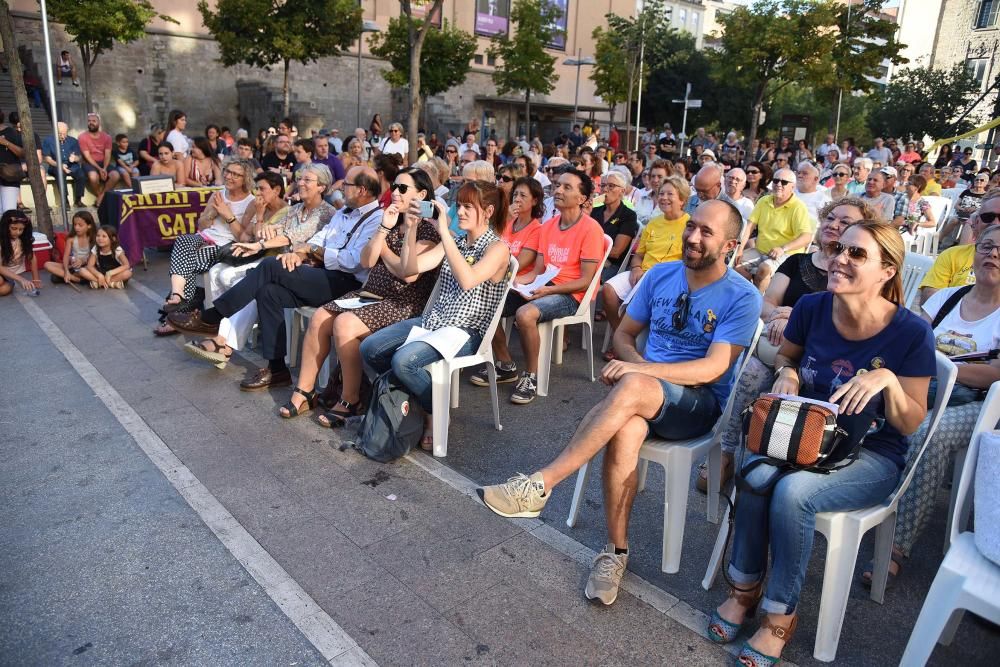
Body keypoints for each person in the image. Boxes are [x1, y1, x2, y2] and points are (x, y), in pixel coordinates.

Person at [478, 199, 760, 606]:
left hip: (698, 405)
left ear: (731, 245)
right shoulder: (661, 276)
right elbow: (624, 336)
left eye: (706, 232)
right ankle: (616, 552)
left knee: (630, 390)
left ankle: (542, 484)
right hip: (646, 390)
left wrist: (640, 375)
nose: (693, 237)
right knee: (626, 426)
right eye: (691, 227)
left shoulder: (741, 295)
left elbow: (713, 369)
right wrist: (639, 366)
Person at [708, 221, 934, 666]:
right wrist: (787, 372)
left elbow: (909, 424)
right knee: (755, 473)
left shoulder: (911, 332)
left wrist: (887, 380)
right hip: (804, 434)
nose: (840, 259)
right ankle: (744, 589)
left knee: (792, 494)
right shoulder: (812, 307)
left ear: (888, 271)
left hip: (870, 455)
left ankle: (779, 615)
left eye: (857, 254)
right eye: (837, 249)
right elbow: (788, 355)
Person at [702, 198, 879, 492]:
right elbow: (767, 302)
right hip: (778, 345)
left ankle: (768, 459)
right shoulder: (797, 262)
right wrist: (778, 315)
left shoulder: (854, 276)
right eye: (830, 218)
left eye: (845, 222)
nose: (834, 225)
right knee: (752, 371)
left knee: (771, 373)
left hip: (821, 357)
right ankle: (728, 452)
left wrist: (795, 317)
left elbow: (843, 323)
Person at [859, 224, 1000, 586]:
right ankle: (857, 490)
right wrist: (926, 366)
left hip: (978, 404)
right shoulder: (946, 298)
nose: (993, 254)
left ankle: (896, 546)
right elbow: (908, 339)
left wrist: (937, 366)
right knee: (867, 397)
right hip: (922, 384)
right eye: (986, 246)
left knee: (927, 434)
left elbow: (995, 375)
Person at [179, 168, 379, 387]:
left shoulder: (376, 218)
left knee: (270, 266)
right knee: (268, 292)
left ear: (361, 190)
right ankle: (277, 370)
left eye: (346, 185)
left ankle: (212, 317)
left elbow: (353, 261)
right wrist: (302, 251)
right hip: (323, 273)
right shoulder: (343, 213)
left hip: (348, 285)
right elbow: (320, 239)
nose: (341, 187)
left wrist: (309, 250)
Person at [361, 181, 511, 448]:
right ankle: (417, 403)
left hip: (467, 331)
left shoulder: (497, 248)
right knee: (370, 348)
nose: (460, 212)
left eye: (468, 207)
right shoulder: (456, 241)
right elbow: (410, 270)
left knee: (403, 362)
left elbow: (468, 280)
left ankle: (434, 413)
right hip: (435, 321)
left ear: (487, 212)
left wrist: (444, 231)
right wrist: (411, 229)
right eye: (458, 206)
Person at [481, 168, 605, 404]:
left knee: (525, 314)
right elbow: (538, 271)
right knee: (488, 302)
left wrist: (549, 290)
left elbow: (587, 280)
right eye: (558, 185)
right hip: (544, 286)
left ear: (582, 199)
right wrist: (515, 283)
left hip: (571, 294)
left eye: (567, 187)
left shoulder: (591, 229)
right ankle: (506, 364)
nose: (558, 190)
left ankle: (531, 376)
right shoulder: (549, 227)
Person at [602, 176, 691, 351]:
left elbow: (687, 263)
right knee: (608, 290)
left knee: (637, 300)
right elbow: (639, 254)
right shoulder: (654, 222)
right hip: (642, 273)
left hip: (669, 278)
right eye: (661, 193)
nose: (664, 197)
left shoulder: (689, 225)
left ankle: (624, 343)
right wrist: (635, 268)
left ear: (682, 199)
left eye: (670, 194)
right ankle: (622, 337)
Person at [159, 157, 256, 310]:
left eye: (235, 174)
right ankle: (179, 297)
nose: (229, 177)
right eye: (227, 172)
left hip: (225, 246)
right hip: (205, 238)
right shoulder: (218, 194)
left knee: (185, 263)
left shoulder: (251, 201)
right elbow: (202, 226)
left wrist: (228, 215)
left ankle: (180, 304)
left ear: (246, 179)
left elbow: (242, 238)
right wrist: (212, 213)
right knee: (183, 240)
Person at [201, 171, 290, 310]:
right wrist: (251, 235)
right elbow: (244, 236)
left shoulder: (287, 211)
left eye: (262, 189)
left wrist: (259, 217)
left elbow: (262, 240)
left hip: (270, 259)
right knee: (214, 270)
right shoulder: (261, 208)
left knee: (226, 276)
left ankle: (236, 316)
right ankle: (215, 316)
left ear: (277, 190)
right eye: (257, 189)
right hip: (252, 255)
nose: (258, 193)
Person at [737, 168, 815, 293]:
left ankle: (758, 304)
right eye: (776, 180)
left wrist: (782, 248)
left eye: (784, 182)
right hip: (760, 250)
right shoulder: (764, 200)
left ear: (792, 187)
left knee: (764, 268)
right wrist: (740, 250)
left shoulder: (798, 207)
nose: (779, 184)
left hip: (786, 254)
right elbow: (750, 226)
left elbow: (806, 237)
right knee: (735, 265)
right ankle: (751, 293)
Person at [918, 192, 1000, 304]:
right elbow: (929, 299)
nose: (995, 223)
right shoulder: (952, 255)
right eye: (988, 217)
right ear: (976, 222)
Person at [591, 170, 639, 280]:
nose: (605, 189)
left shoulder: (628, 215)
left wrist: (589, 248)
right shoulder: (594, 211)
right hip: (591, 260)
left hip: (611, 266)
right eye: (602, 186)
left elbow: (616, 252)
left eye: (611, 186)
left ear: (622, 191)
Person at [78, 113, 120, 206]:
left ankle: (102, 197)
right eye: (89, 121)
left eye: (93, 121)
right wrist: (99, 169)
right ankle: (99, 196)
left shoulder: (107, 137)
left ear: (99, 123)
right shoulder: (82, 137)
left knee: (115, 175)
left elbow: (107, 154)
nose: (91, 123)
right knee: (93, 177)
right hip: (89, 163)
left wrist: (104, 168)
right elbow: (87, 156)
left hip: (103, 162)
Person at [45, 210, 96, 285]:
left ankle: (71, 277)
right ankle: (77, 279)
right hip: (74, 267)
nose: (76, 227)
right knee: (47, 264)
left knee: (55, 278)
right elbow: (65, 256)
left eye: (80, 225)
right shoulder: (71, 239)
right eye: (75, 225)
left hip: (87, 267)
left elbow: (96, 257)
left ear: (89, 226)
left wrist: (83, 261)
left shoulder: (94, 238)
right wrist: (66, 271)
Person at [41, 122, 85, 207]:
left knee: (81, 174)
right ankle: (65, 200)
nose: (62, 136)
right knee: (60, 173)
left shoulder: (73, 141)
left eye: (65, 133)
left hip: (72, 166)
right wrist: (60, 165)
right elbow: (47, 158)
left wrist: (75, 158)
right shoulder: (48, 141)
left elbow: (80, 157)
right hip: (55, 165)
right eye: (60, 133)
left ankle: (78, 199)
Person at [0, 209, 40, 296]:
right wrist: (21, 279)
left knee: (4, 290)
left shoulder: (23, 240)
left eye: (21, 229)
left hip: (9, 277)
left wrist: (36, 279)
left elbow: (32, 258)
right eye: (13, 228)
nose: (17, 232)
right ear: (5, 226)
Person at [894, 174, 936, 249]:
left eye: (909, 184)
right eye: (907, 183)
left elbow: (932, 222)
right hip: (893, 225)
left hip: (906, 230)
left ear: (918, 187)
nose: (906, 185)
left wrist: (917, 224)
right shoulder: (900, 196)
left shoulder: (922, 203)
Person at [633, 159, 670, 226]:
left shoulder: (672, 202)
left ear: (669, 178)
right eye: (653, 176)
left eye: (660, 177)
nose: (655, 180)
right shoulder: (642, 199)